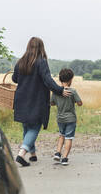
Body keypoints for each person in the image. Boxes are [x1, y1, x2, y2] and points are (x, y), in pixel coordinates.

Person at [12, 37, 71, 167]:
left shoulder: (20, 62)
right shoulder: (41, 62)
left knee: (27, 126)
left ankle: (32, 155)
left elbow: (14, 79)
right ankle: (21, 155)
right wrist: (60, 90)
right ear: (41, 48)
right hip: (35, 100)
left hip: (21, 99)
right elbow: (48, 80)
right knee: (34, 127)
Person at [51, 68, 82, 166]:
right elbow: (80, 103)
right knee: (69, 138)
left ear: (60, 79)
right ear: (70, 80)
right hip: (71, 119)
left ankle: (57, 153)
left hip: (60, 118)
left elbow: (51, 103)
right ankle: (64, 158)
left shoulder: (56, 91)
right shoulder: (72, 91)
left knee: (61, 135)